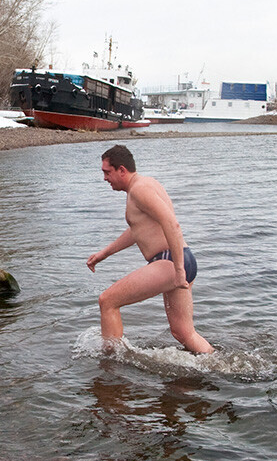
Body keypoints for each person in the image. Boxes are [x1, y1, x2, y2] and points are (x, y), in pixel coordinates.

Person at [86, 144, 213, 354]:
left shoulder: (139, 189)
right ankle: (217, 364)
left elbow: (172, 224)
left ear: (122, 170)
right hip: (181, 259)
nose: (105, 178)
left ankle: (109, 368)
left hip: (171, 261)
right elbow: (137, 230)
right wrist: (103, 254)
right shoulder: (146, 184)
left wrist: (178, 270)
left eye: (107, 172)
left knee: (107, 301)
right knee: (184, 333)